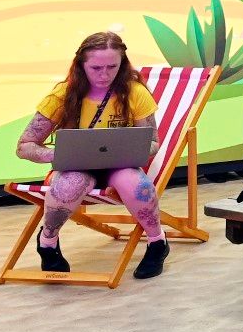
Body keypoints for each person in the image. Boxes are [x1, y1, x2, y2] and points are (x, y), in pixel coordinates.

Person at [15, 32, 170, 279]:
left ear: (122, 65)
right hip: (75, 167)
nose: (104, 74)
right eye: (96, 68)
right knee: (69, 185)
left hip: (120, 166)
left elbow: (153, 143)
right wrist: (59, 154)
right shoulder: (62, 95)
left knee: (136, 185)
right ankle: (48, 242)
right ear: (80, 66)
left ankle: (157, 243)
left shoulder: (135, 92)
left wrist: (132, 150)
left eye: (112, 67)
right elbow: (24, 146)